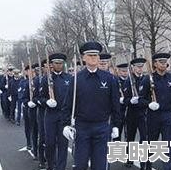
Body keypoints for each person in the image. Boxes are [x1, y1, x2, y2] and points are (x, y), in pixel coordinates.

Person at [61, 41, 122, 170]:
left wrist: (116, 124)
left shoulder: (110, 79)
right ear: (84, 58)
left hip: (102, 127)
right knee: (80, 165)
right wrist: (66, 124)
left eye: (95, 55)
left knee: (100, 165)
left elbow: (115, 104)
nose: (93, 58)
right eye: (90, 56)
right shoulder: (77, 79)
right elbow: (68, 103)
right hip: (82, 127)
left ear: (99, 57)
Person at [138, 53, 171, 170]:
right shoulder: (148, 79)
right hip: (153, 115)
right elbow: (141, 99)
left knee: (168, 145)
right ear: (155, 64)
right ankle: (147, 166)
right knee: (151, 143)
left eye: (165, 62)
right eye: (161, 62)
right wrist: (149, 104)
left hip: (167, 115)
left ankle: (168, 168)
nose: (164, 64)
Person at [41, 53, 72, 170]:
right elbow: (38, 97)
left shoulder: (69, 78)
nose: (58, 65)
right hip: (51, 115)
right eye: (56, 63)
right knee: (50, 143)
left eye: (60, 63)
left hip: (64, 115)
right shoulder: (46, 79)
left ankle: (60, 167)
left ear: (63, 64)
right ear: (52, 64)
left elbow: (73, 98)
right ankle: (50, 165)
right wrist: (46, 102)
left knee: (63, 144)